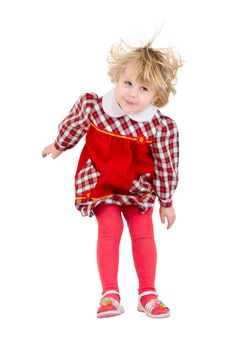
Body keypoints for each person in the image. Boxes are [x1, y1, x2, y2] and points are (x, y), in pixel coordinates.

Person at [42, 36, 183, 318]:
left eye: (143, 89)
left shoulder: (160, 127)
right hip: (102, 181)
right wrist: (59, 144)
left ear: (157, 95)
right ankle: (109, 293)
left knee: (143, 233)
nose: (132, 94)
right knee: (109, 230)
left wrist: (166, 201)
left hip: (138, 186)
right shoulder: (95, 108)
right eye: (127, 83)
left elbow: (167, 165)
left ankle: (148, 293)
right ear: (117, 78)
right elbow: (75, 124)